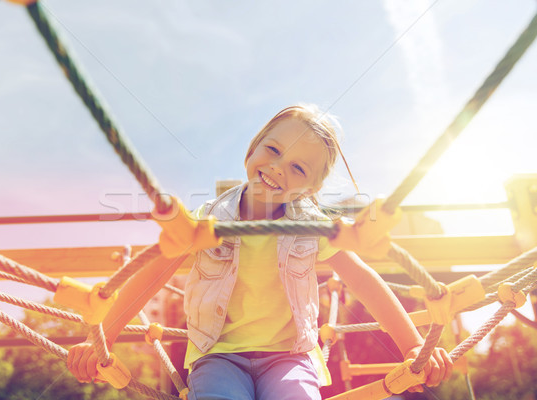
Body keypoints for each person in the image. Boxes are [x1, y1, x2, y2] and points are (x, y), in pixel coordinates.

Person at [67, 104, 453, 399]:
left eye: (299, 169)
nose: (278, 167)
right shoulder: (207, 221)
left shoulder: (313, 227)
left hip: (289, 356)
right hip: (216, 354)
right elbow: (153, 274)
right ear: (253, 148)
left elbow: (365, 281)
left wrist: (413, 344)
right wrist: (102, 336)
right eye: (272, 149)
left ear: (309, 191)